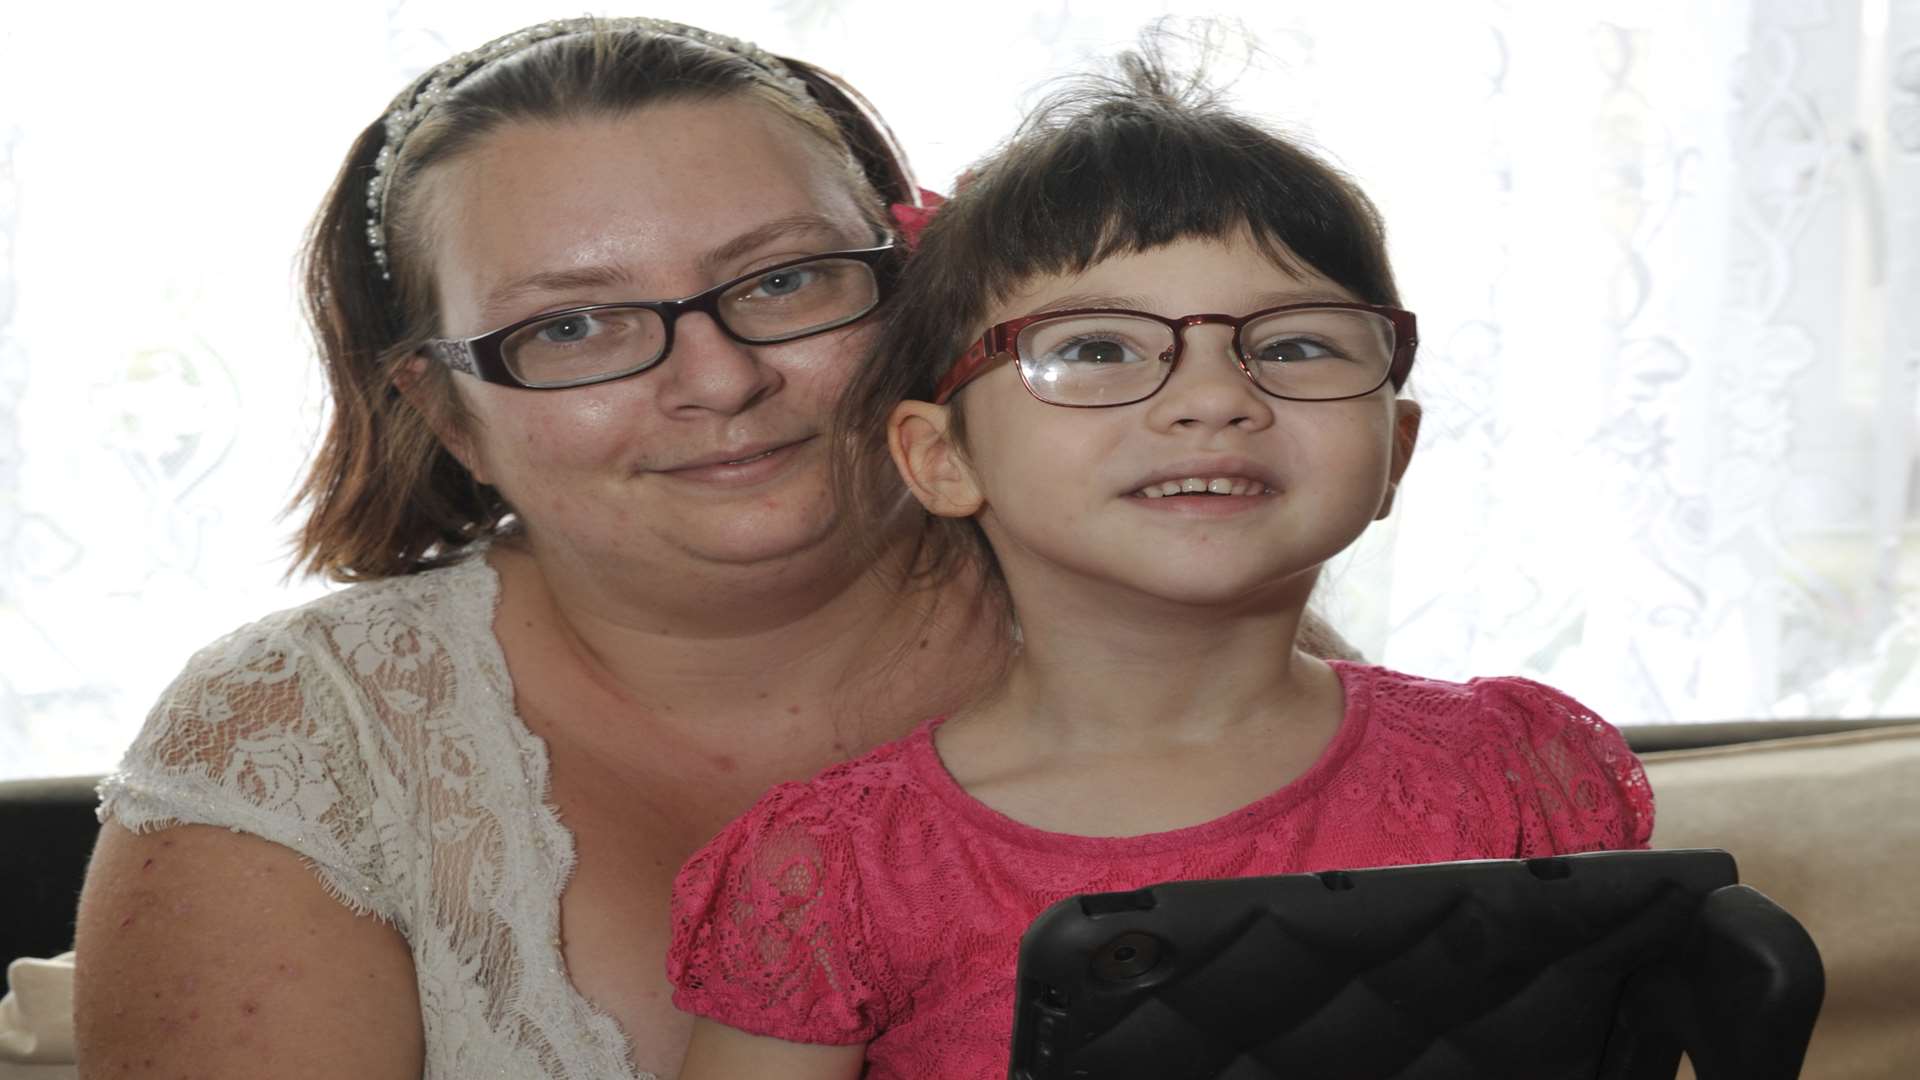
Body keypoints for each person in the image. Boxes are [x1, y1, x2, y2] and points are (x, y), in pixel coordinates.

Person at [67, 16, 1361, 1080]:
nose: (720, 377)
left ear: (916, 286)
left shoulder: (1179, 614)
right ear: (445, 411)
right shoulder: (299, 740)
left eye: (787, 280)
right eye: (571, 327)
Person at [664, 47, 1657, 1080]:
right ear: (943, 457)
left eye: (1295, 345)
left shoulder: (1519, 769)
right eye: (1097, 348)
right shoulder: (837, 869)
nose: (1214, 396)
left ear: (1394, 450)